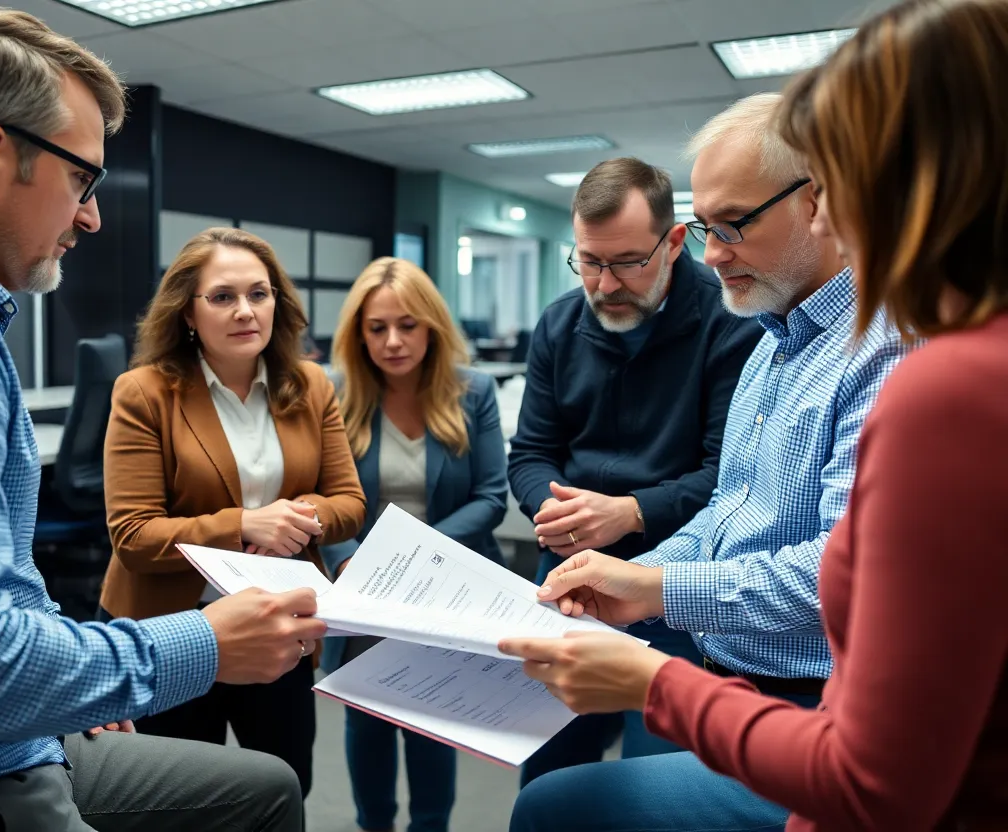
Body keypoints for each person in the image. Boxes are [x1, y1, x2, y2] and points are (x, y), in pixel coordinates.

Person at [0, 10, 320, 831]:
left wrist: (74, 677)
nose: (91, 217)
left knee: (264, 786)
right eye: (83, 181)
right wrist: (205, 644)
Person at [505, 0, 1008, 828]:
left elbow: (870, 763)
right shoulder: (772, 343)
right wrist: (639, 581)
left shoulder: (914, 363)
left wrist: (655, 612)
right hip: (725, 658)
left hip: (803, 700)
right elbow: (732, 505)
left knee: (560, 809)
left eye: (733, 225)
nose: (712, 253)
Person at [507, 157, 763, 773]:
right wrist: (553, 504)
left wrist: (628, 513)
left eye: (626, 262)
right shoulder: (560, 322)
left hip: (676, 591)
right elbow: (531, 453)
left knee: (654, 782)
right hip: (567, 580)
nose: (605, 285)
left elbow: (734, 477)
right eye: (590, 262)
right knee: (551, 775)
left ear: (674, 242)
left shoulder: (733, 320)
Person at [99, 226, 366, 798]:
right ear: (188, 312)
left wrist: (298, 518)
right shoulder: (144, 392)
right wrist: (245, 524)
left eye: (259, 294)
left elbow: (349, 503)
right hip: (174, 633)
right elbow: (133, 536)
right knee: (174, 805)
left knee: (286, 789)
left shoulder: (311, 385)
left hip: (279, 627)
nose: (245, 311)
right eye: (222, 296)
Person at [320, 257, 509, 832]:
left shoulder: (473, 391)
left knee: (434, 723)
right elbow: (321, 491)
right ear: (359, 334)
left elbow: (491, 496)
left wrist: (417, 553)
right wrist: (348, 558)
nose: (393, 341)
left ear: (432, 325)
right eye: (377, 328)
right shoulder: (335, 393)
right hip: (362, 585)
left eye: (408, 325)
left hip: (445, 585)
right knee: (367, 723)